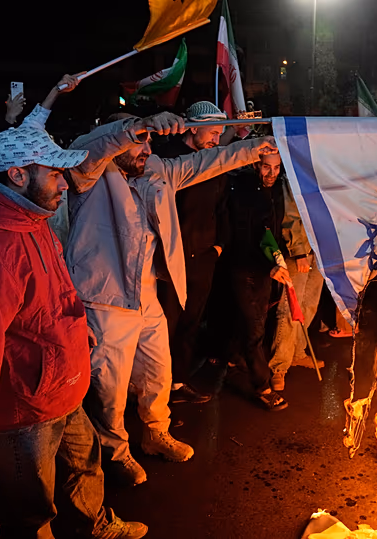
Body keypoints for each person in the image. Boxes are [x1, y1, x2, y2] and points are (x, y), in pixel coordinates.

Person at [0, 118, 147, 538]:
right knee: (30, 509)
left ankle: (95, 526)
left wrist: (76, 332)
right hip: (26, 408)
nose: (65, 184)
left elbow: (53, 294)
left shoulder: (31, 219)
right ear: (17, 174)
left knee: (85, 467)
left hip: (62, 385)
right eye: (55, 173)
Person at [65, 111, 278, 487]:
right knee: (109, 390)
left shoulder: (157, 170)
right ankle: (115, 454)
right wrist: (133, 127)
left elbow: (206, 162)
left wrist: (253, 148)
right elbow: (89, 146)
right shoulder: (90, 173)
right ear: (117, 140)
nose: (146, 147)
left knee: (158, 374)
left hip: (147, 294)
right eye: (138, 140)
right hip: (105, 298)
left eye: (149, 140)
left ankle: (155, 433)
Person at [155, 102, 232, 406]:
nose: (216, 139)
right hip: (172, 257)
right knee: (165, 325)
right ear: (193, 127)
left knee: (190, 321)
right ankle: (154, 389)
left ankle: (177, 382)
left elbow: (222, 206)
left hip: (204, 257)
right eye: (212, 132)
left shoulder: (212, 161)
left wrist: (218, 246)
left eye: (219, 134)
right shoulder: (168, 158)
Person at [224, 153, 292, 410]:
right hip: (245, 268)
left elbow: (271, 231)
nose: (272, 173)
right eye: (266, 167)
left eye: (276, 168)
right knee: (255, 327)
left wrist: (278, 257)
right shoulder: (243, 190)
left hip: (265, 268)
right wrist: (269, 264)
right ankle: (262, 386)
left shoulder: (274, 190)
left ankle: (232, 357)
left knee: (256, 319)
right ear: (255, 164)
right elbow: (244, 235)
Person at [269, 180, 324, 391]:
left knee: (309, 304)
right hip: (299, 250)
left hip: (321, 249)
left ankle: (298, 353)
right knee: (290, 308)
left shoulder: (331, 166)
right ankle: (279, 366)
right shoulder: (298, 168)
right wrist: (298, 250)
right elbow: (290, 214)